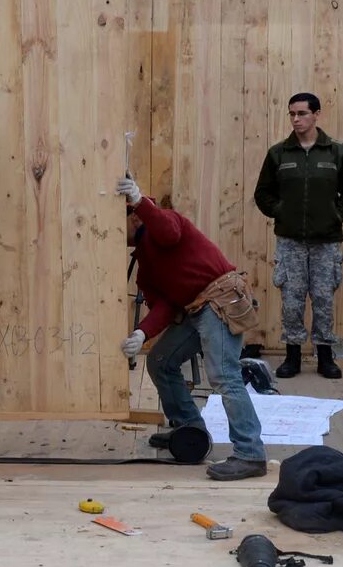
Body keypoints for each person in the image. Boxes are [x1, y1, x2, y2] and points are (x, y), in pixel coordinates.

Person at [116, 174, 270, 481]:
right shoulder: (145, 263)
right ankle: (189, 429)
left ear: (133, 218)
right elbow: (165, 306)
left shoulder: (162, 224)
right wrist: (142, 333)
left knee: (224, 375)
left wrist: (140, 201)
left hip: (220, 297)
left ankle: (251, 454)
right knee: (160, 362)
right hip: (197, 308)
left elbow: (169, 232)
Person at [253, 91, 343, 380]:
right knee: (292, 299)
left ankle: (326, 357)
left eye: (302, 113)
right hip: (290, 241)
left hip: (326, 242)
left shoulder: (338, 152)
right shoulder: (279, 153)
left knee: (324, 299)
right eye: (292, 114)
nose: (296, 119)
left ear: (317, 114)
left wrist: (335, 215)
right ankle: (292, 357)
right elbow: (262, 193)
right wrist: (282, 211)